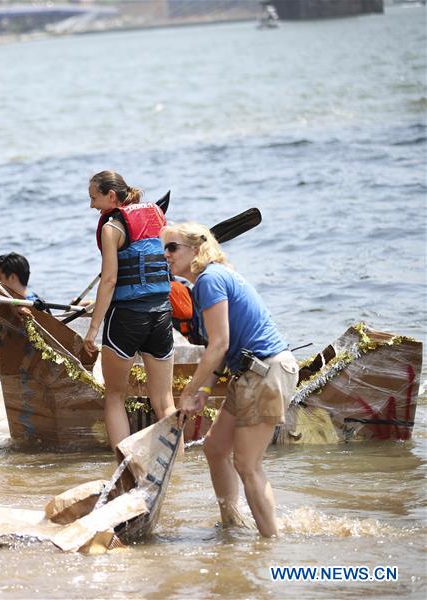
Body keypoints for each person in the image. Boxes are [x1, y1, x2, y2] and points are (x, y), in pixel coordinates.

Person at [161, 222, 297, 537]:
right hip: (250, 372)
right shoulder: (210, 279)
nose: (165, 255)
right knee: (215, 448)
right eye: (163, 249)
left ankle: (270, 542)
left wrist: (188, 392)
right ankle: (232, 524)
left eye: (172, 248)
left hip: (265, 372)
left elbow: (218, 344)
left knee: (248, 466)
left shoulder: (209, 279)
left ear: (196, 249)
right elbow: (223, 348)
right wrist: (205, 391)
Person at [82, 170, 175, 453]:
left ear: (111, 195)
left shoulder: (112, 229)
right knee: (165, 401)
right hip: (161, 315)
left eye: (94, 198)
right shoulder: (157, 216)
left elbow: (109, 281)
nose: (91, 206)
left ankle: (124, 470)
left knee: (114, 397)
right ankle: (179, 470)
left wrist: (93, 329)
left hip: (127, 319)